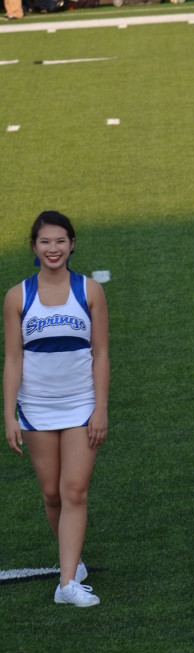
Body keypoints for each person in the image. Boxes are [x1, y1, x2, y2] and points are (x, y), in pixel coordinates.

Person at [3, 210, 109, 607]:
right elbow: (13, 359)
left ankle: (67, 584)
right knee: (52, 494)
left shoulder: (91, 291)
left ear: (72, 243)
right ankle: (73, 562)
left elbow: (101, 355)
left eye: (60, 240)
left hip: (81, 406)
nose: (53, 248)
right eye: (45, 241)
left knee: (74, 490)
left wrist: (100, 409)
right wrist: (9, 414)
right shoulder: (17, 296)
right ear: (34, 246)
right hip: (35, 409)